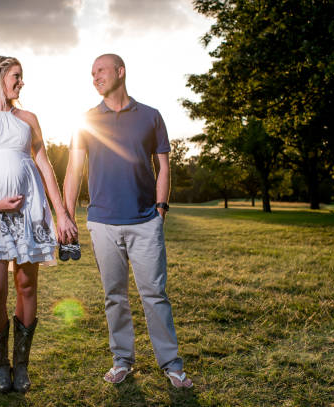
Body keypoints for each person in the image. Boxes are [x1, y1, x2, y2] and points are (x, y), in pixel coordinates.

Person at [63, 54, 193, 388]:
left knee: (155, 295)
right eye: (91, 73)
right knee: (114, 296)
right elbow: (74, 170)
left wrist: (160, 209)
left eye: (101, 71)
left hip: (145, 221)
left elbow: (163, 165)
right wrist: (66, 215)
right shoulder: (86, 120)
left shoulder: (150, 117)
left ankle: (171, 364)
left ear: (121, 72)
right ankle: (122, 361)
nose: (95, 77)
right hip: (103, 223)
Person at [0, 56, 76, 393]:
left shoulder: (28, 119)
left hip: (30, 212)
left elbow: (44, 165)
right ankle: (1, 365)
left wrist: (61, 213)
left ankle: (21, 366)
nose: (21, 82)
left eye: (21, 77)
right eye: (16, 76)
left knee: (27, 287)